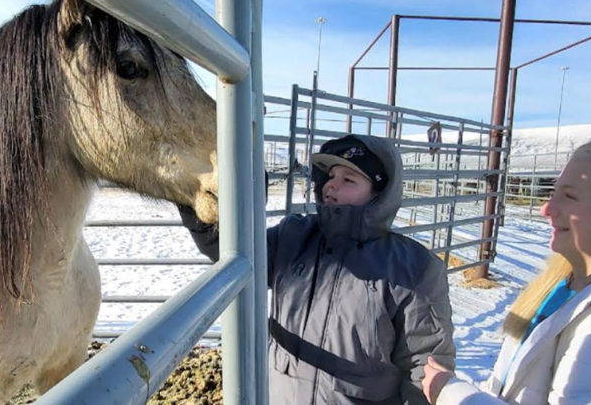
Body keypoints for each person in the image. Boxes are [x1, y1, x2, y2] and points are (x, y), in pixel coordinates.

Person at [179, 134, 455, 404]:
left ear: (379, 194)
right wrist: (199, 202)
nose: (331, 186)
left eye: (348, 180)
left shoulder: (413, 269)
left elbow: (424, 371)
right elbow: (231, 251)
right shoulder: (294, 237)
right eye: (331, 177)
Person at [422, 138, 591, 404]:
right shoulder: (561, 283)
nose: (546, 209)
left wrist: (453, 394)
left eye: (570, 196)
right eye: (553, 192)